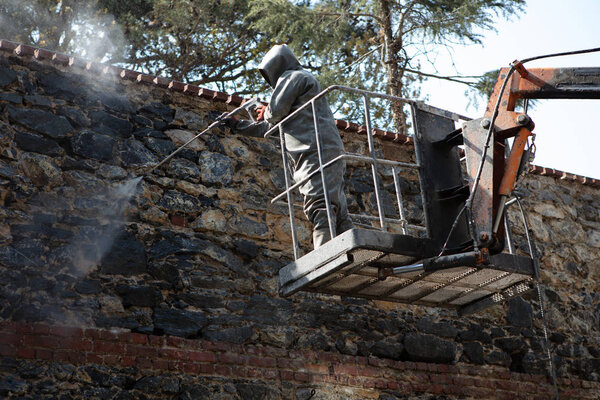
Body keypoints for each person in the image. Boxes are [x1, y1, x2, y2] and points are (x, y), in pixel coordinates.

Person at [221, 44, 353, 249]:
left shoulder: (294, 77)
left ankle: (328, 255)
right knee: (334, 205)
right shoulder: (297, 87)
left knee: (320, 205)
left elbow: (273, 113)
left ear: (276, 66)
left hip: (315, 151)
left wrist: (265, 109)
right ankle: (349, 249)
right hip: (317, 150)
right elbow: (271, 127)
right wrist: (238, 126)